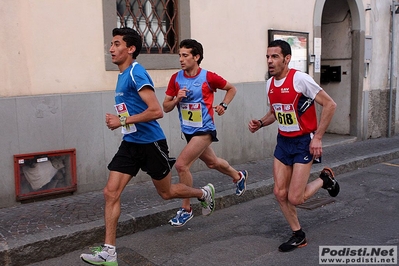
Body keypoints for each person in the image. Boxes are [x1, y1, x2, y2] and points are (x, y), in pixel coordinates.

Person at [80, 28, 215, 266]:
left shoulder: (136, 72)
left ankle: (203, 193)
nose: (111, 48)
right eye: (111, 44)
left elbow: (156, 111)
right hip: (131, 143)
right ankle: (109, 251)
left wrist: (121, 120)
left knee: (166, 193)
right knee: (110, 192)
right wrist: (124, 122)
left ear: (130, 49)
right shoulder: (122, 75)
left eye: (117, 44)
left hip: (152, 144)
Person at [248, 39, 339, 252]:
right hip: (283, 142)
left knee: (295, 198)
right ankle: (298, 234)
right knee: (279, 193)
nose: (270, 61)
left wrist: (317, 137)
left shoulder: (300, 79)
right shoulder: (269, 84)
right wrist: (261, 123)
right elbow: (275, 112)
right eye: (268, 57)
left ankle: (324, 180)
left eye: (275, 57)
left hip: (302, 143)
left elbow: (330, 104)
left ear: (287, 59)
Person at [163, 39, 248, 227]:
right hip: (188, 131)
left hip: (205, 129)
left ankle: (187, 209)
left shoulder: (209, 77)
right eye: (180, 55)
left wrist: (224, 105)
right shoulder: (176, 79)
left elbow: (231, 88)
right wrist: (177, 99)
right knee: (212, 162)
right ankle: (238, 176)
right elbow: (165, 107)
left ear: (196, 57)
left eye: (185, 55)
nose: (181, 59)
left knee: (181, 165)